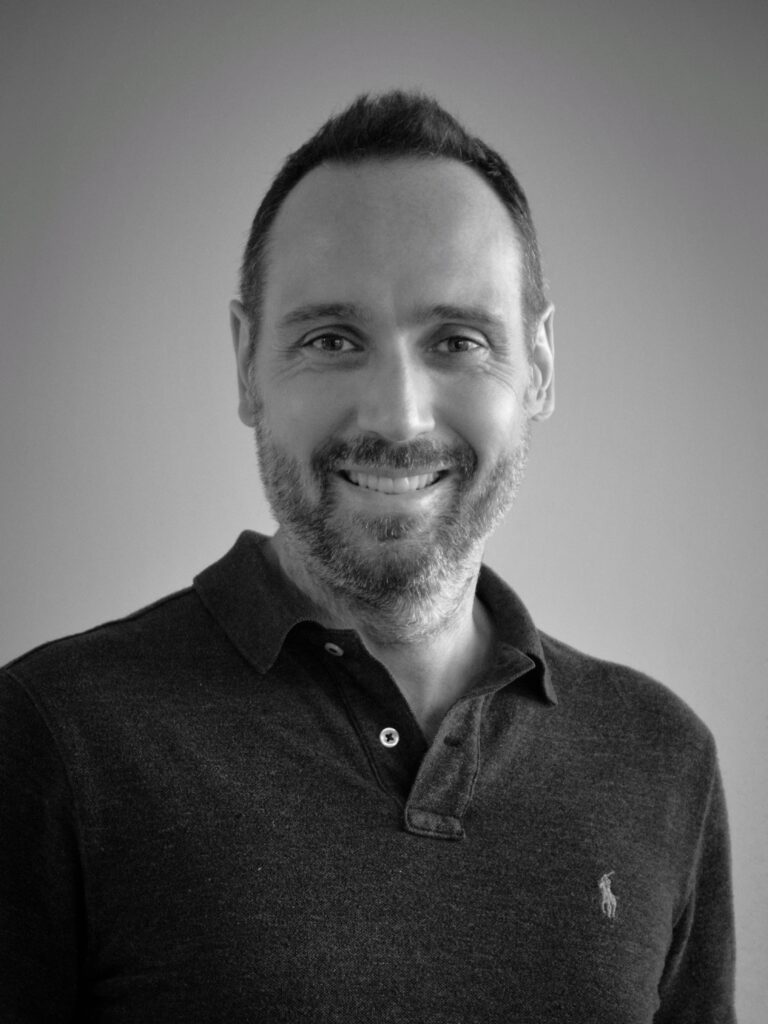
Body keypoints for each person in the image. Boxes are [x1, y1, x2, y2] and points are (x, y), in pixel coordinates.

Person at [0, 91, 735, 1023]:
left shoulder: (660, 759)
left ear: (539, 366)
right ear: (246, 363)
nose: (399, 416)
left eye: (458, 340)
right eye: (331, 339)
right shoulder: (54, 738)